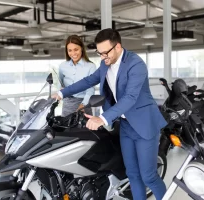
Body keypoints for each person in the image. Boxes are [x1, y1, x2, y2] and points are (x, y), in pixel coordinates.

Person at [52, 28, 167, 200]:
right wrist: (62, 93)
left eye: (106, 53)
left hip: (144, 124)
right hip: (126, 126)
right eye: (100, 53)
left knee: (148, 176)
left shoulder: (136, 64)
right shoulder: (105, 64)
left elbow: (130, 98)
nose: (103, 57)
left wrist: (102, 118)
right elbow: (88, 80)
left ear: (118, 47)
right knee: (132, 174)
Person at [58, 34, 96, 116]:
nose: (73, 53)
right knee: (65, 128)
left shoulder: (90, 66)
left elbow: (91, 89)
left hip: (83, 105)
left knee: (84, 128)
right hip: (67, 106)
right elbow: (60, 84)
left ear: (81, 48)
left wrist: (83, 105)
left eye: (76, 49)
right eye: (70, 50)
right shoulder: (63, 66)